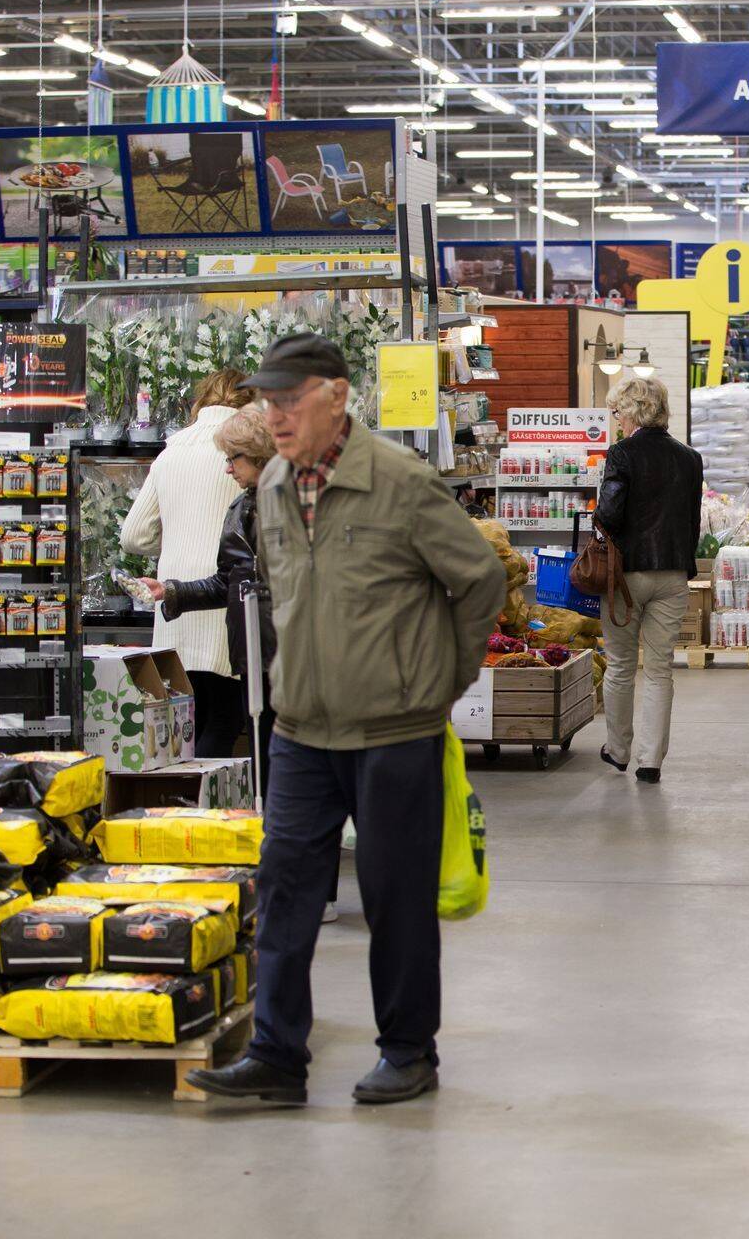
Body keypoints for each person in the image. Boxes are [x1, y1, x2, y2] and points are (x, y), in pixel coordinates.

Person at [188, 333, 507, 1108]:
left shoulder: (400, 482)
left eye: (291, 399)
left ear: (336, 395)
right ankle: (276, 1055)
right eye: (268, 401)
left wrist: (438, 681)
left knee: (394, 897)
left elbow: (481, 578)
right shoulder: (267, 490)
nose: (277, 414)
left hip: (395, 729)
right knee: (285, 888)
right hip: (300, 726)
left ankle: (407, 1051)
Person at [139, 400, 278, 787]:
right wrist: (171, 592)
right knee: (263, 749)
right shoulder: (242, 507)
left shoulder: (293, 504)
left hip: (287, 651)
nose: (228, 468)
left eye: (234, 458)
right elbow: (227, 580)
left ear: (258, 455)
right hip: (255, 650)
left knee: (282, 752)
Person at [120, 368, 252, 758]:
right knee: (226, 719)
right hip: (223, 597)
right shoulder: (246, 451)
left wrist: (177, 534)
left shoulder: (171, 450)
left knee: (188, 721)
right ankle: (206, 810)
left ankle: (184, 808)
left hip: (173, 600)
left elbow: (133, 536)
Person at [593, 376, 703, 784]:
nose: (616, 419)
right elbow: (692, 522)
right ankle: (650, 761)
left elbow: (610, 514)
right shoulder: (690, 458)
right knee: (659, 670)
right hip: (672, 575)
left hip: (626, 576)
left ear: (634, 411)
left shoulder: (622, 454)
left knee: (621, 665)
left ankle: (619, 751)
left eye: (618, 411)